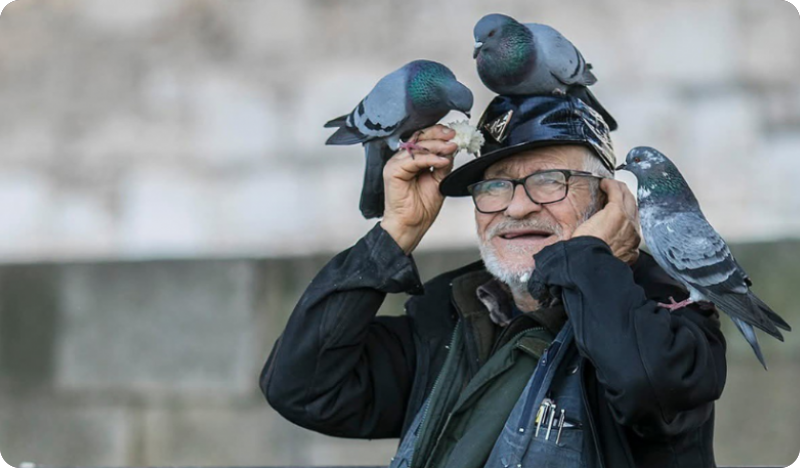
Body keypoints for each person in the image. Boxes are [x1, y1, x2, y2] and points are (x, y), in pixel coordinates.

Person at [260, 94, 727, 468]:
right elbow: (303, 387)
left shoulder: (668, 310)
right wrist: (395, 234)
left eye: (549, 180)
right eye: (495, 185)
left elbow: (646, 387)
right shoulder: (447, 314)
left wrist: (588, 260)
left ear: (607, 199)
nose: (517, 207)